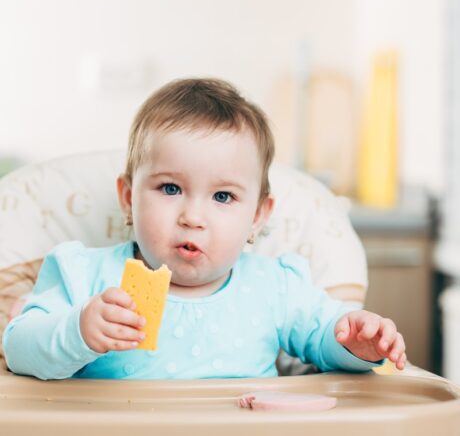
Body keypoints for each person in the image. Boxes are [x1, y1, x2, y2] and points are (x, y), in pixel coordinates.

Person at [2, 78, 406, 380]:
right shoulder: (83, 275)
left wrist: (358, 344)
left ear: (258, 216)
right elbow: (18, 347)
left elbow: (324, 338)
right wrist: (78, 330)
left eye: (223, 197)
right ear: (128, 198)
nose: (193, 217)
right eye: (171, 188)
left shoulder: (275, 286)